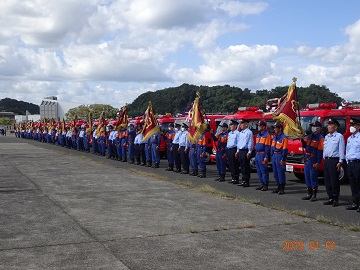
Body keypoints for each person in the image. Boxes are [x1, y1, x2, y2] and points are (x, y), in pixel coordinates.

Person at [323, 118, 345, 207]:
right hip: (327, 160)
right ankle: (330, 197)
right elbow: (325, 148)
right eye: (328, 125)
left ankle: (336, 198)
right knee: (327, 180)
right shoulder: (327, 136)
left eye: (331, 125)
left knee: (334, 180)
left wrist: (340, 161)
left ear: (335, 127)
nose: (329, 127)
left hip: (334, 160)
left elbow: (341, 149)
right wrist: (324, 158)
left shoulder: (339, 136)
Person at [300, 120, 324, 201]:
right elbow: (305, 146)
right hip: (307, 158)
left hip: (314, 158)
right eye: (312, 126)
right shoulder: (309, 136)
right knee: (307, 176)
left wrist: (318, 162)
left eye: (314, 127)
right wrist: (302, 140)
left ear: (319, 128)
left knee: (313, 176)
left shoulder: (320, 138)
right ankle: (309, 193)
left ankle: (314, 195)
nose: (312, 128)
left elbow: (320, 151)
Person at [345, 117, 360, 211]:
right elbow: (348, 151)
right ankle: (355, 203)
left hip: (358, 163)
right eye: (351, 125)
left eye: (353, 125)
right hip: (350, 164)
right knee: (353, 184)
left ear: (358, 127)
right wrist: (347, 161)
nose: (351, 127)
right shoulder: (349, 138)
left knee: (359, 184)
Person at [271, 121, 288, 195]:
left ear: (280, 128)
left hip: (280, 155)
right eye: (274, 128)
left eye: (276, 128)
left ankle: (282, 188)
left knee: (280, 172)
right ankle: (278, 186)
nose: (274, 129)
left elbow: (285, 149)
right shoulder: (275, 137)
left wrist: (283, 159)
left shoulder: (284, 138)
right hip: (274, 155)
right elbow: (272, 147)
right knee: (275, 173)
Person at [236, 119, 254, 187]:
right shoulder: (241, 132)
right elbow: (239, 142)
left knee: (246, 166)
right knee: (242, 166)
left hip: (245, 150)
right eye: (240, 124)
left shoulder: (249, 132)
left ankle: (247, 181)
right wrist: (237, 151)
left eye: (242, 123)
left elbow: (250, 142)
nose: (240, 125)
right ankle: (243, 180)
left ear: (246, 124)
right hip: (240, 150)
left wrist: (249, 151)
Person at [254, 120, 271, 191]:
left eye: (259, 125)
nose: (258, 127)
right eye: (258, 125)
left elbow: (267, 147)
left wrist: (266, 156)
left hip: (262, 154)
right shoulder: (258, 135)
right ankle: (261, 183)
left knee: (264, 170)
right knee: (259, 170)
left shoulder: (266, 135)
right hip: (257, 154)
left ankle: (265, 184)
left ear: (263, 127)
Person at [227, 120, 240, 184]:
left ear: (235, 126)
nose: (230, 126)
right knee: (230, 164)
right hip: (229, 149)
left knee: (235, 164)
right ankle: (233, 177)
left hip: (234, 149)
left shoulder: (237, 133)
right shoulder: (230, 133)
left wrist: (237, 152)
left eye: (231, 125)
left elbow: (238, 143)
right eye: (230, 125)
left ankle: (236, 178)